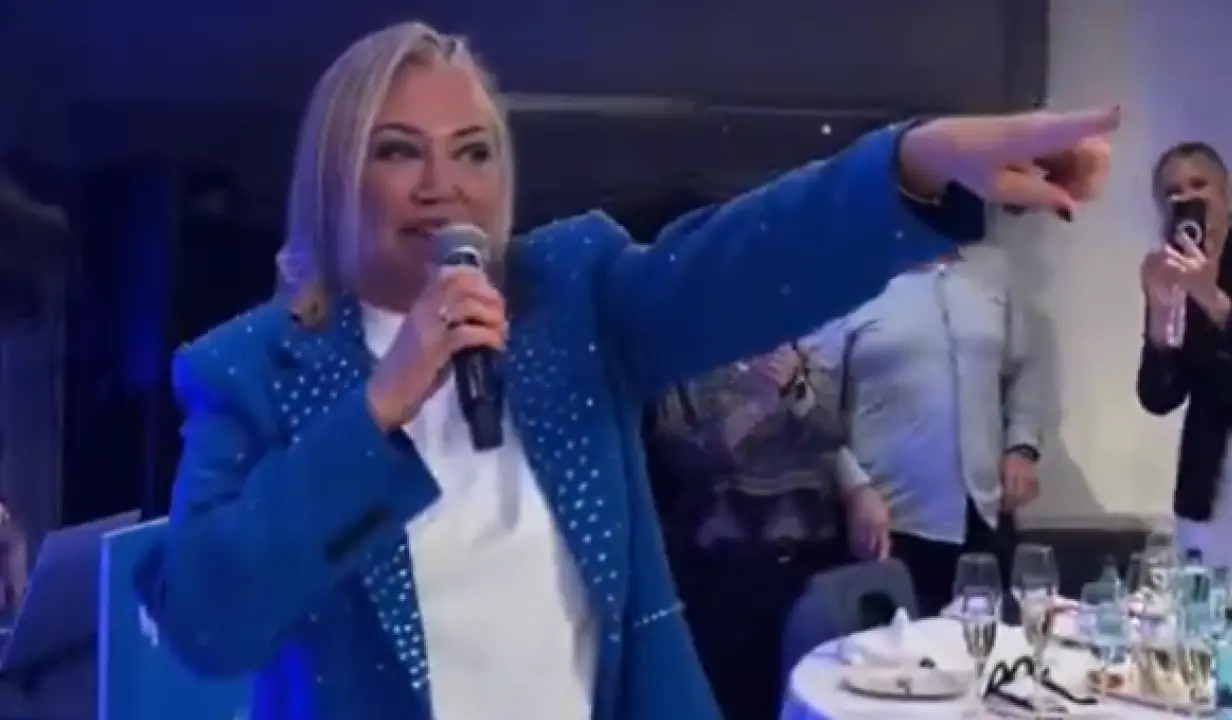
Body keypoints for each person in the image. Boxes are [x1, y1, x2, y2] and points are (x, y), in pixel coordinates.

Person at [131, 20, 1116, 720]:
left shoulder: (569, 297)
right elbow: (208, 624)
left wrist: (913, 167)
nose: (444, 187)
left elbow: (746, 259)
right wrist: (383, 405)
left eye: (472, 152)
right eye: (399, 152)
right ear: (335, 172)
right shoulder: (248, 369)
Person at [803, 215, 1041, 616]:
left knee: (988, 649)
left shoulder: (992, 271)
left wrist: (1022, 445)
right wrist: (853, 487)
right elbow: (812, 404)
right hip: (887, 524)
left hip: (984, 520)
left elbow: (1025, 368)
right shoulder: (847, 282)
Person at [645, 343, 847, 720]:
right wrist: (757, 408)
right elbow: (680, 460)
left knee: (810, 696)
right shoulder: (683, 363)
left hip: (806, 564)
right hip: (724, 574)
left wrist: (795, 390)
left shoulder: (801, 355)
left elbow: (835, 435)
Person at [1136, 141, 1232, 612]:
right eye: (1172, 192)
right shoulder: (1170, 276)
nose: (1186, 197)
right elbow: (1158, 397)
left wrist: (1214, 301)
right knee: (1203, 627)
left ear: (1225, 193)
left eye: (1198, 184)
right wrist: (1161, 317)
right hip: (1207, 487)